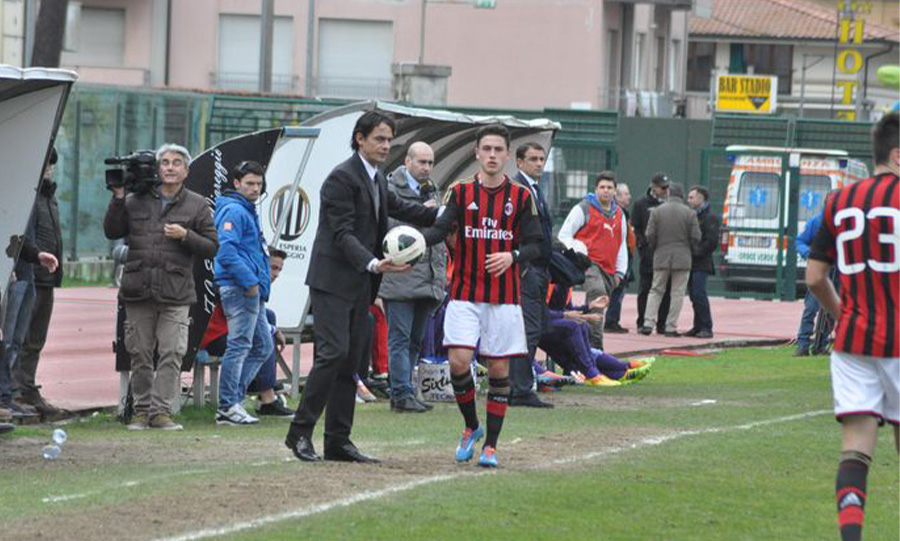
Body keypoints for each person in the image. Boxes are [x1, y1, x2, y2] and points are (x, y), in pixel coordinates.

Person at [285, 111, 437, 464]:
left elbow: (405, 209)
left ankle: (338, 441)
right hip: (333, 282)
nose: (386, 146)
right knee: (333, 354)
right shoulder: (341, 178)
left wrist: (449, 213)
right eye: (379, 139)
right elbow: (342, 234)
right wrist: (373, 263)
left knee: (351, 362)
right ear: (359, 138)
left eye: (389, 140)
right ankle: (300, 432)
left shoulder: (378, 178)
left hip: (361, 285)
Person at [421, 123, 543, 468]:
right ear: (477, 153)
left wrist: (513, 256)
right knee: (459, 362)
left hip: (503, 296)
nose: (491, 155)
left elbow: (538, 244)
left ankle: (491, 445)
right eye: (486, 149)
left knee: (499, 369)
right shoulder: (459, 193)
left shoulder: (521, 197)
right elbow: (440, 229)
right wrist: (412, 242)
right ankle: (470, 426)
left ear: (506, 155)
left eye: (498, 150)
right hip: (463, 291)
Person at [806, 111, 899, 541]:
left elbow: (813, 278)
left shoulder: (839, 201)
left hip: (852, 340)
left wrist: (842, 312)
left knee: (856, 449)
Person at [104, 143, 218, 431]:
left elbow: (212, 247)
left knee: (171, 352)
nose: (169, 167)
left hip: (176, 291)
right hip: (138, 288)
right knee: (140, 353)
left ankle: (161, 412)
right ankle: (142, 412)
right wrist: (118, 197)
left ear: (186, 170)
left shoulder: (197, 204)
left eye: (176, 162)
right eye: (164, 162)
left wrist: (186, 235)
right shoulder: (135, 199)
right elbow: (112, 230)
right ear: (157, 168)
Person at [378, 141, 446, 413]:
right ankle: (400, 393)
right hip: (400, 276)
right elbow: (389, 229)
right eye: (422, 162)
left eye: (430, 162)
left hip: (427, 280)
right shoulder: (390, 188)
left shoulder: (433, 189)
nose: (427, 168)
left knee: (416, 340)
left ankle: (406, 390)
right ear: (407, 161)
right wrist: (424, 213)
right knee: (399, 338)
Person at [212, 161, 275, 426]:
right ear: (237, 184)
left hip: (251, 289)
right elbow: (225, 250)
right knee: (240, 345)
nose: (255, 189)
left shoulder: (246, 210)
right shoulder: (234, 210)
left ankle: (233, 401)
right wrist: (249, 281)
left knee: (263, 345)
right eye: (249, 183)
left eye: (259, 184)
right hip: (240, 288)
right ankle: (228, 405)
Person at [201, 248, 292, 417]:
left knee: (268, 321)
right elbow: (244, 319)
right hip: (215, 335)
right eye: (273, 268)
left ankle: (263, 392)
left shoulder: (254, 285)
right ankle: (257, 397)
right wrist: (273, 330)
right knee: (263, 341)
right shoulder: (244, 282)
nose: (277, 274)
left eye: (279, 270)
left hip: (231, 329)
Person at [14, 148, 66, 418]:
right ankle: (11, 389)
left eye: (51, 163)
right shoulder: (25, 192)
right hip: (26, 273)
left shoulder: (49, 197)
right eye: (45, 161)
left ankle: (27, 387)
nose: (48, 167)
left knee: (35, 339)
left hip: (47, 277)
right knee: (16, 337)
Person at [558, 171, 628, 349]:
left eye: (609, 187)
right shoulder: (583, 208)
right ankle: (596, 349)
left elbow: (622, 244)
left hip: (611, 271)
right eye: (602, 187)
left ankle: (582, 346)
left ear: (615, 191)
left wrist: (620, 272)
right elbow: (563, 236)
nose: (605, 191)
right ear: (595, 189)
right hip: (590, 265)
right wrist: (580, 253)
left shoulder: (619, 213)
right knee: (598, 298)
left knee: (597, 306)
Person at [509, 142, 555, 409]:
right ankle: (520, 388)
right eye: (533, 159)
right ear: (519, 162)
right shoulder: (519, 190)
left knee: (534, 329)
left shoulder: (534, 189)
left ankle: (521, 386)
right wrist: (523, 265)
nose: (539, 163)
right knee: (527, 330)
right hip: (526, 270)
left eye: (541, 159)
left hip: (538, 269)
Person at [1, 218, 58, 421]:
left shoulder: (35, 194)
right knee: (5, 341)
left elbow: (21, 234)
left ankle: (7, 396)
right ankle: (4, 397)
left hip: (26, 271)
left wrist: (36, 255)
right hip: (10, 272)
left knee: (15, 342)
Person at [639, 183, 700, 336]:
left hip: (661, 255)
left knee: (656, 290)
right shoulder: (690, 213)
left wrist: (657, 245)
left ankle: (648, 323)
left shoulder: (657, 211)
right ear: (682, 195)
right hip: (682, 257)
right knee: (677, 293)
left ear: (668, 194)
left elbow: (649, 234)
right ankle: (670, 326)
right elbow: (696, 236)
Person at [632, 173, 671, 333]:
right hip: (648, 254)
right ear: (653, 187)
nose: (665, 190)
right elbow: (635, 227)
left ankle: (662, 323)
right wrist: (642, 245)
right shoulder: (641, 204)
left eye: (667, 187)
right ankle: (642, 322)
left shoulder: (671, 203)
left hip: (666, 253)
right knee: (645, 288)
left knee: (666, 290)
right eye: (662, 187)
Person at [685, 185, 720, 339]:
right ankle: (697, 326)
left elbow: (711, 241)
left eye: (692, 197)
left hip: (701, 262)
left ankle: (706, 326)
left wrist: (696, 251)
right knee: (693, 295)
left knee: (699, 293)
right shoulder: (691, 216)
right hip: (691, 262)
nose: (689, 200)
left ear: (701, 199)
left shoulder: (710, 218)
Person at [793, 207, 827, 357]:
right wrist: (808, 253)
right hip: (819, 270)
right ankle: (803, 345)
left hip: (837, 272)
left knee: (830, 312)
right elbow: (800, 241)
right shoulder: (816, 221)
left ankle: (821, 345)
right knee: (811, 308)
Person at [604, 182, 635, 334]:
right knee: (616, 290)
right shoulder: (617, 213)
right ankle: (611, 320)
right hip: (617, 257)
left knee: (617, 290)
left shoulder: (622, 213)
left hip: (624, 255)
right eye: (626, 193)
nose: (629, 197)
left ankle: (612, 319)